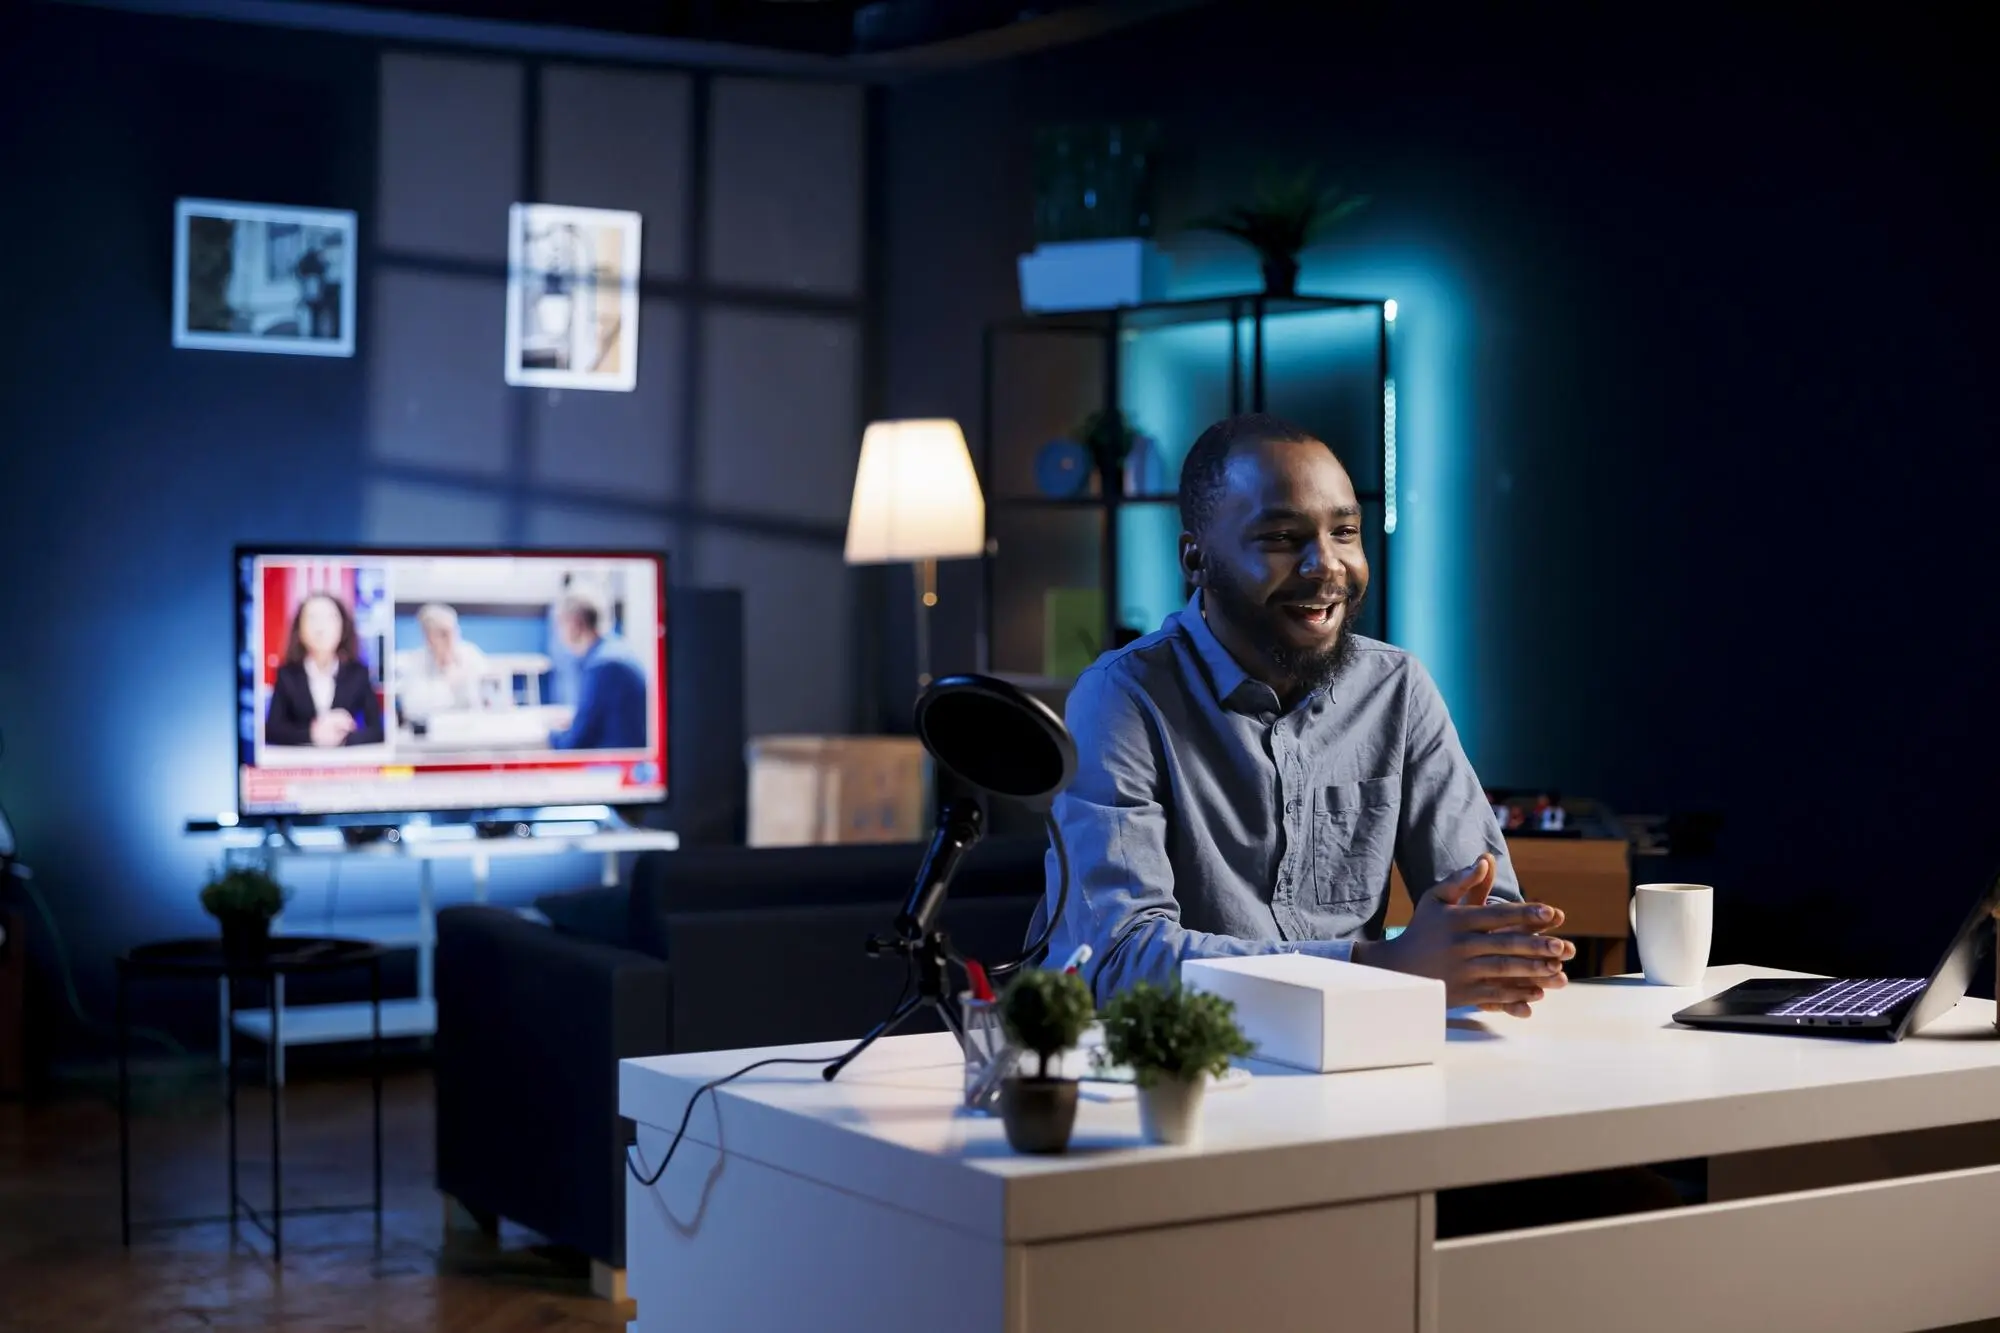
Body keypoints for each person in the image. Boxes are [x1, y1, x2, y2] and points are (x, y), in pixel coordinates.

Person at [1025, 412, 1575, 1015]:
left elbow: (1485, 909)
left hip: (1347, 1052)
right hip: (1153, 1060)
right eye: (1283, 538)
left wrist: (1492, 945)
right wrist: (1379, 967)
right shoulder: (1121, 697)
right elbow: (1118, 960)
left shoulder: (1396, 688)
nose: (1326, 565)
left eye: (1345, 532)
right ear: (1195, 558)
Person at [264, 591, 384, 748]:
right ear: (300, 630)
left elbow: (377, 730)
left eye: (330, 618)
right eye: (312, 618)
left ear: (343, 628)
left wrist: (344, 736)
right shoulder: (287, 675)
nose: (321, 627)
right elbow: (272, 730)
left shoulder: (358, 673)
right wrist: (313, 733)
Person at [547, 593, 649, 750]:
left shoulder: (602, 666)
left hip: (614, 759)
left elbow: (574, 743)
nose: (559, 635)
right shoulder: (615, 651)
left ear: (574, 623)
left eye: (559, 624)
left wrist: (549, 733)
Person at [395, 602, 491, 727]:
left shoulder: (472, 655)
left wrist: (464, 681)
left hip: (472, 729)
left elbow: (488, 699)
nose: (451, 639)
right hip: (434, 732)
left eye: (454, 631)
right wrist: (446, 685)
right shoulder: (413, 663)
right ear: (428, 637)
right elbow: (412, 709)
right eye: (443, 634)